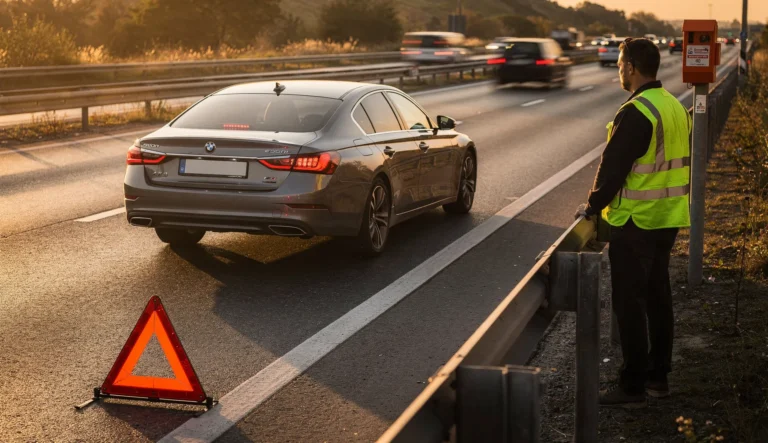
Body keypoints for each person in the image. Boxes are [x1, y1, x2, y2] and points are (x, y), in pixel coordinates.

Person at [575, 38, 692, 408]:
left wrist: (591, 207)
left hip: (636, 222)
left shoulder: (637, 110)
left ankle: (632, 387)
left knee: (630, 303)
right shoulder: (674, 106)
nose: (618, 69)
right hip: (667, 218)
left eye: (620, 63)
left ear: (631, 67)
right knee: (658, 298)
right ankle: (658, 379)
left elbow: (612, 170)